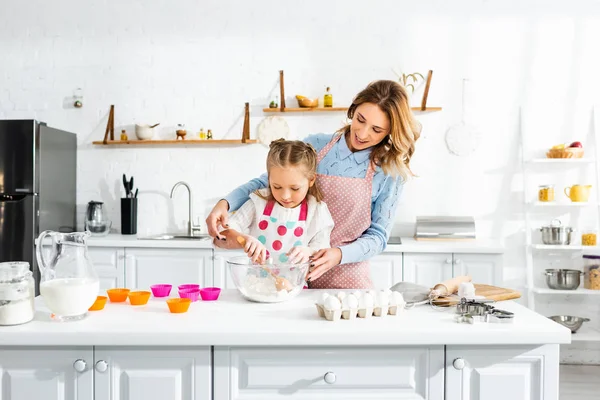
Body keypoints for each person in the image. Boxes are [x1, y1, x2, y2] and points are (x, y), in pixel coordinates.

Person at [208, 80, 421, 289]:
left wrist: (338, 254)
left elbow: (378, 237)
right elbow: (268, 182)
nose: (363, 133)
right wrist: (225, 203)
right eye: (360, 119)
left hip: (347, 277)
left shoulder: (390, 171)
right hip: (292, 272)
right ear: (353, 109)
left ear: (390, 131)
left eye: (376, 129)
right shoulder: (317, 146)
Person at [219, 139, 334, 265]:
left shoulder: (316, 211)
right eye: (277, 187)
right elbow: (221, 234)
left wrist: (309, 252)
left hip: (295, 283)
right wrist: (244, 239)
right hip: (256, 282)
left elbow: (322, 249)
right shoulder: (259, 203)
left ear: (311, 180)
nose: (285, 196)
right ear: (269, 178)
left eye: (294, 188)